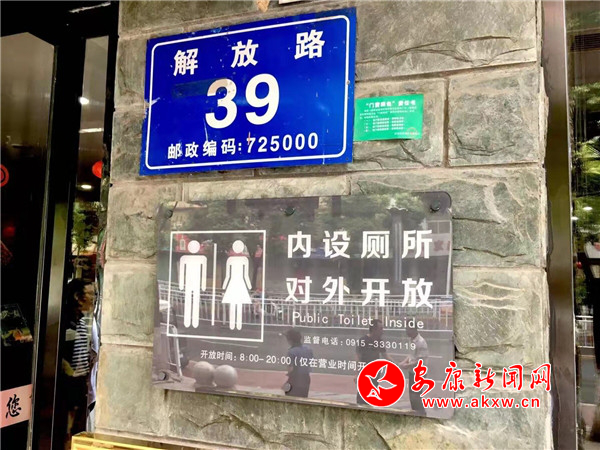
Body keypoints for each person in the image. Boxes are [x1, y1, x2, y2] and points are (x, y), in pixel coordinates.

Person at [62, 278, 95, 440]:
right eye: (90, 294)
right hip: (70, 378)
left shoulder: (80, 319)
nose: (93, 298)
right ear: (77, 297)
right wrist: (70, 371)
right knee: (69, 411)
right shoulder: (65, 320)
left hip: (80, 377)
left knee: (76, 411)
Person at [355, 319, 389, 405]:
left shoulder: (379, 341)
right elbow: (358, 357)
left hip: (375, 374)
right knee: (362, 397)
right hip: (364, 373)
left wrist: (397, 364)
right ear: (374, 329)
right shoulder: (364, 340)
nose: (382, 331)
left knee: (372, 397)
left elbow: (385, 355)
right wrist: (357, 373)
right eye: (380, 328)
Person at [222, 240, 252, 330]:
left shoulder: (231, 260)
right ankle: (237, 324)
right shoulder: (244, 260)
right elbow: (245, 275)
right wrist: (249, 286)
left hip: (234, 283)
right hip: (239, 283)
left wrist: (224, 286)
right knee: (237, 303)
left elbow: (228, 275)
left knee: (234, 303)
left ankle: (234, 324)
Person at [399, 324, 429, 416]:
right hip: (413, 372)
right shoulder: (412, 340)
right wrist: (404, 362)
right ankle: (415, 413)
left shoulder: (421, 342)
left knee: (416, 396)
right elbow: (411, 356)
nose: (406, 331)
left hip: (419, 373)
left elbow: (420, 360)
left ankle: (422, 413)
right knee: (412, 396)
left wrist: (407, 365)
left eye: (408, 329)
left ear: (414, 329)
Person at [283, 328, 313, 397]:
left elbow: (291, 369)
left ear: (290, 340)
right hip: (306, 378)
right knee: (303, 399)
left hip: (295, 379)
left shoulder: (291, 352)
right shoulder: (308, 349)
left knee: (290, 396)